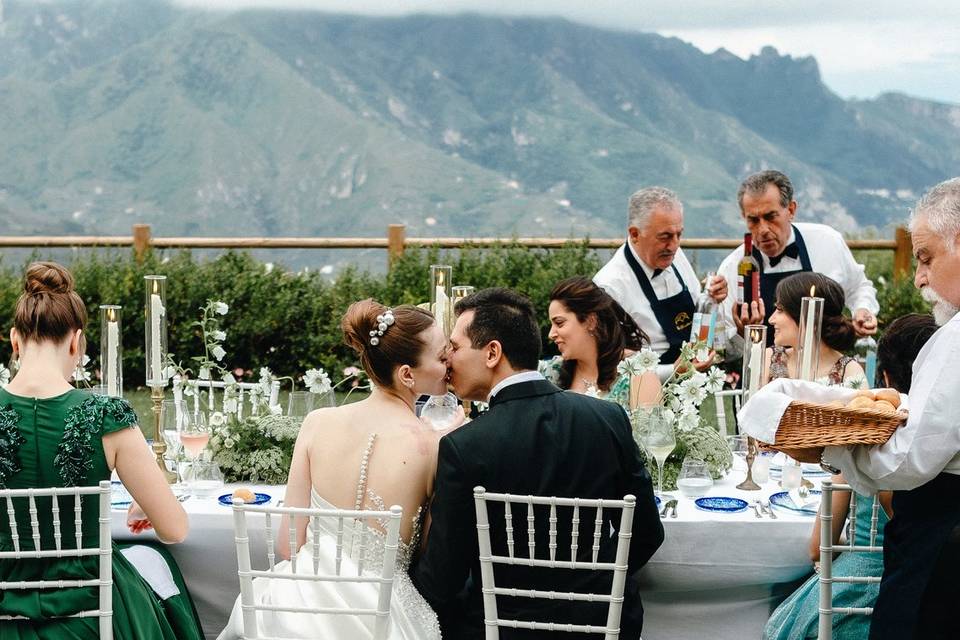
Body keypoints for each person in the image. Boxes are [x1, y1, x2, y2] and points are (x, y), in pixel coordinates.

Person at [412, 288, 664, 640]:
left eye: (454, 347)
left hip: (503, 629)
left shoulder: (464, 446)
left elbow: (444, 577)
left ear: (492, 353)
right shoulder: (607, 419)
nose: (448, 360)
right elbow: (649, 533)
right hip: (602, 625)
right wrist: (598, 585)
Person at [219, 300, 452, 640]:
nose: (449, 365)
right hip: (379, 616)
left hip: (295, 608)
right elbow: (430, 551)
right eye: (442, 357)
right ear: (406, 374)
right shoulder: (435, 445)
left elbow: (287, 544)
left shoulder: (317, 423)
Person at [792, 177, 960, 639]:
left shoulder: (956, 338)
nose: (919, 276)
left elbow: (911, 461)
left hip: (942, 546)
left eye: (926, 258)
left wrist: (831, 450)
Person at [0, 262, 202, 640]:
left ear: (14, 340)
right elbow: (175, 529)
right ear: (76, 342)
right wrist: (146, 500)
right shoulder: (106, 415)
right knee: (162, 571)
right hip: (92, 615)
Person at [763, 313, 936, 639]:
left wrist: (855, 553)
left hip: (849, 590)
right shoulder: (940, 449)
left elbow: (817, 548)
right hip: (921, 591)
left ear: (884, 377)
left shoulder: (864, 445)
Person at [716, 170, 879, 347]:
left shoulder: (827, 242)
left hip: (826, 367)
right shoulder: (733, 268)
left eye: (771, 217)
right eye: (754, 220)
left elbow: (858, 287)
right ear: (744, 217)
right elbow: (725, 347)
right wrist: (743, 332)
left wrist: (863, 310)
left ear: (791, 210)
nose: (763, 229)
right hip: (765, 370)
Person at [594, 186, 727, 381]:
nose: (674, 246)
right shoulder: (610, 286)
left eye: (678, 235)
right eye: (664, 237)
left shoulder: (676, 256)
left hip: (693, 388)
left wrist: (712, 299)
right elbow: (611, 364)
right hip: (646, 397)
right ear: (634, 234)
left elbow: (699, 309)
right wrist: (674, 370)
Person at [542, 276, 660, 408]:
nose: (551, 334)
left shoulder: (638, 373)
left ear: (590, 321)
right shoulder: (551, 372)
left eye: (559, 323)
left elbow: (650, 427)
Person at [765, 272, 867, 387]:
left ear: (808, 315)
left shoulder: (850, 371)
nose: (771, 319)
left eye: (780, 309)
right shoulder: (769, 359)